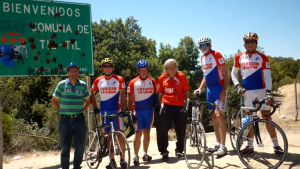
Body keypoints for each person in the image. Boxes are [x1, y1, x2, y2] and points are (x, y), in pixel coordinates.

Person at [231, 32, 284, 155]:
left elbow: (267, 76)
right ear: (244, 44)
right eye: (248, 42)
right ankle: (250, 146)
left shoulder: (263, 57)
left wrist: (269, 93)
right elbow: (234, 73)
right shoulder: (239, 57)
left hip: (261, 91)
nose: (250, 44)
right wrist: (237, 85)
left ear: (256, 43)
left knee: (266, 117)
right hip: (247, 92)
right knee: (250, 119)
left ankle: (276, 145)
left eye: (252, 42)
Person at [194, 36, 230, 156]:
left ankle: (224, 146)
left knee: (220, 115)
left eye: (206, 44)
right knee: (213, 117)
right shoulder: (202, 58)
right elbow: (206, 75)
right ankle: (218, 143)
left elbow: (226, 72)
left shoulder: (216, 54)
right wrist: (200, 88)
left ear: (210, 44)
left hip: (220, 89)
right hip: (210, 90)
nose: (203, 47)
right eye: (201, 45)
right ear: (199, 47)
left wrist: (224, 90)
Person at [90, 58, 128, 168]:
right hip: (104, 113)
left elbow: (123, 95)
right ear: (102, 68)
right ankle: (112, 160)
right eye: (105, 66)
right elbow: (91, 93)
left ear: (113, 68)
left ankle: (122, 159)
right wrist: (95, 107)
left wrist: (124, 110)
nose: (107, 68)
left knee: (120, 136)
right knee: (108, 137)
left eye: (109, 66)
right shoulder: (98, 80)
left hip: (117, 112)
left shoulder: (119, 79)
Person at [51, 62, 90, 169]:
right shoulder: (61, 84)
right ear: (68, 72)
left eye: (76, 71)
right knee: (65, 147)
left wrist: (82, 110)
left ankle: (76, 166)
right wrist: (62, 110)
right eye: (72, 71)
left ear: (78, 73)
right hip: (65, 120)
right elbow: (54, 101)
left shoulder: (83, 85)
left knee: (80, 146)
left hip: (79, 119)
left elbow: (88, 101)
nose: (74, 73)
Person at [156, 59, 190, 161]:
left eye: (174, 66)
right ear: (166, 69)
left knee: (181, 129)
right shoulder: (162, 78)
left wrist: (187, 105)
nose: (173, 69)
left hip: (180, 105)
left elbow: (187, 92)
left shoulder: (181, 76)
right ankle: (164, 151)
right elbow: (160, 94)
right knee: (162, 128)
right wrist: (160, 106)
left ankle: (179, 149)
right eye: (170, 67)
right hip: (166, 105)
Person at [127, 60, 158, 165]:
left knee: (147, 132)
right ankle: (136, 156)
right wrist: (130, 113)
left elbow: (157, 95)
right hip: (138, 111)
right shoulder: (133, 82)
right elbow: (129, 99)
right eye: (142, 70)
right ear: (138, 71)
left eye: (145, 70)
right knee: (138, 133)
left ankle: (145, 153)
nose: (144, 72)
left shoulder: (153, 81)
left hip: (150, 111)